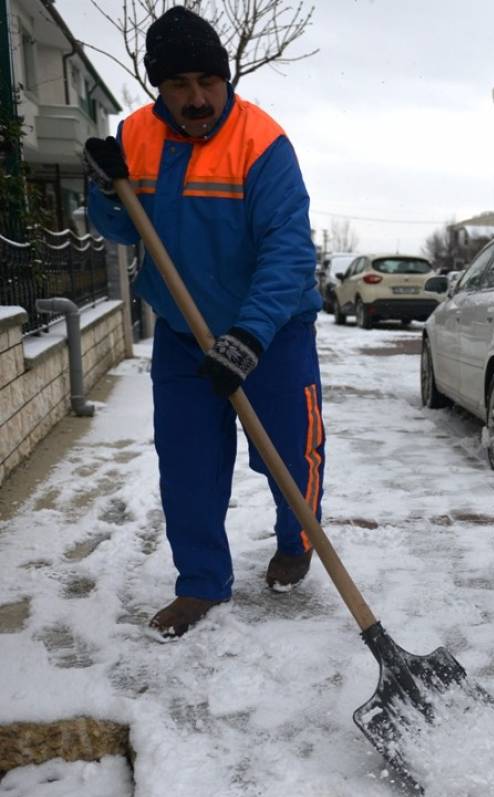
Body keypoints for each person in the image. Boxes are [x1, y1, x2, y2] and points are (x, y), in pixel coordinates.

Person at [84, 6, 324, 638]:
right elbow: (115, 229)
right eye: (179, 85)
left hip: (272, 331)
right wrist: (106, 189)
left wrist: (248, 335)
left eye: (208, 83)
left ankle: (296, 539)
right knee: (188, 462)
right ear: (158, 88)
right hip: (184, 332)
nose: (196, 98)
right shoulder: (135, 136)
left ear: (227, 78)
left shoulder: (261, 143)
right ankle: (200, 582)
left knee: (288, 457)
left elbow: (289, 251)